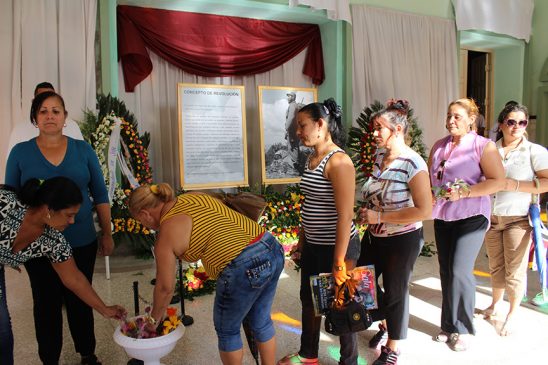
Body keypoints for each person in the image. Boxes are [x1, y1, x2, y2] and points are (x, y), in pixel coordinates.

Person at [5, 91, 114, 365]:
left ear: (65, 117)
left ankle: (87, 353)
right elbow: (13, 200)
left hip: (80, 240)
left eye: (56, 111)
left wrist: (108, 233)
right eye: (43, 111)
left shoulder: (82, 150)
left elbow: (100, 195)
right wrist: (13, 249)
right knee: (46, 303)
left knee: (79, 296)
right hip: (36, 244)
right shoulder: (21, 152)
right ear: (35, 117)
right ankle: (49, 358)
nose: (50, 116)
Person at [128, 184, 284, 365]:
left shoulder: (166, 232)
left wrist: (153, 320)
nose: (145, 225)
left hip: (241, 265)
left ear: (144, 214)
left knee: (228, 331)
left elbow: (165, 288)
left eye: (141, 222)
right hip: (270, 246)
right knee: (261, 321)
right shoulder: (191, 197)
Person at [0, 177, 125, 365]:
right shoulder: (6, 205)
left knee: (2, 330)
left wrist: (104, 309)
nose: (72, 221)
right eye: (69, 215)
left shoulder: (53, 240)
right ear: (48, 208)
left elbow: (74, 278)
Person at [278, 98, 360, 365]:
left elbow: (345, 216)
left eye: (302, 126)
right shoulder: (312, 157)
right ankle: (308, 355)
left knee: (341, 303)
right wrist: (302, 243)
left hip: (339, 247)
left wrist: (338, 262)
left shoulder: (339, 162)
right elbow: (309, 205)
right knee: (309, 301)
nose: (298, 132)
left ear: (321, 124)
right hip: (314, 245)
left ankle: (348, 360)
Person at [356, 100, 432, 365]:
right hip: (375, 235)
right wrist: (368, 213)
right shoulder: (380, 156)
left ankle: (394, 347)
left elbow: (425, 210)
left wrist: (381, 216)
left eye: (380, 128)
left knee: (395, 289)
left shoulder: (414, 164)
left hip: (403, 239)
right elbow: (376, 190)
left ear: (397, 129)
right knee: (361, 283)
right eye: (374, 128)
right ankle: (386, 323)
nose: (374, 133)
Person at [428, 98, 505, 351]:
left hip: (472, 214)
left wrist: (466, 192)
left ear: (472, 119)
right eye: (449, 115)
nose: (451, 121)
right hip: (444, 215)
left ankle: (464, 328)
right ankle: (448, 324)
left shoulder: (484, 146)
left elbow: (497, 181)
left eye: (457, 116)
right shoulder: (439, 146)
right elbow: (433, 181)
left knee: (460, 270)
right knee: (446, 271)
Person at [481, 103, 548, 335]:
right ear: (501, 124)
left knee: (515, 270)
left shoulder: (534, 152)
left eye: (522, 122)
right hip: (492, 217)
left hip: (518, 219)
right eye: (511, 121)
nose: (516, 126)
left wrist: (515, 185)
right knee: (495, 265)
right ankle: (496, 304)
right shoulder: (490, 150)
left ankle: (512, 313)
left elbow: (547, 181)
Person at [6, 81, 84, 153]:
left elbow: (81, 155)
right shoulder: (19, 129)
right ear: (34, 102)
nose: (49, 116)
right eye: (42, 98)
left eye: (50, 97)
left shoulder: (72, 126)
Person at [285, 91, 300, 168]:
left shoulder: (292, 106)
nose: (288, 98)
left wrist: (286, 128)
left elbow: (290, 118)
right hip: (294, 130)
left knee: (292, 147)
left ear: (293, 97)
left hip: (292, 131)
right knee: (294, 147)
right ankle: (295, 164)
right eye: (288, 96)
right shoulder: (294, 105)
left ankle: (295, 166)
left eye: (289, 96)